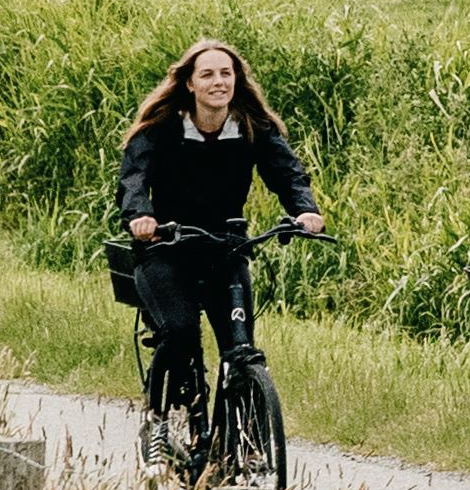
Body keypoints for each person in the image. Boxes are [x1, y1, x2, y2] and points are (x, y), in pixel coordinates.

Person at [107, 38, 322, 439]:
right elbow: (133, 179)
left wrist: (304, 210)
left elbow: (288, 174)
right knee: (180, 332)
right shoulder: (161, 129)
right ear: (190, 83)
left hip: (227, 249)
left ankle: (241, 444)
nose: (218, 82)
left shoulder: (252, 128)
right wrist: (141, 216)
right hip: (167, 249)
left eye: (226, 73)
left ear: (237, 80)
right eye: (207, 74)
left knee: (240, 349)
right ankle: (158, 422)